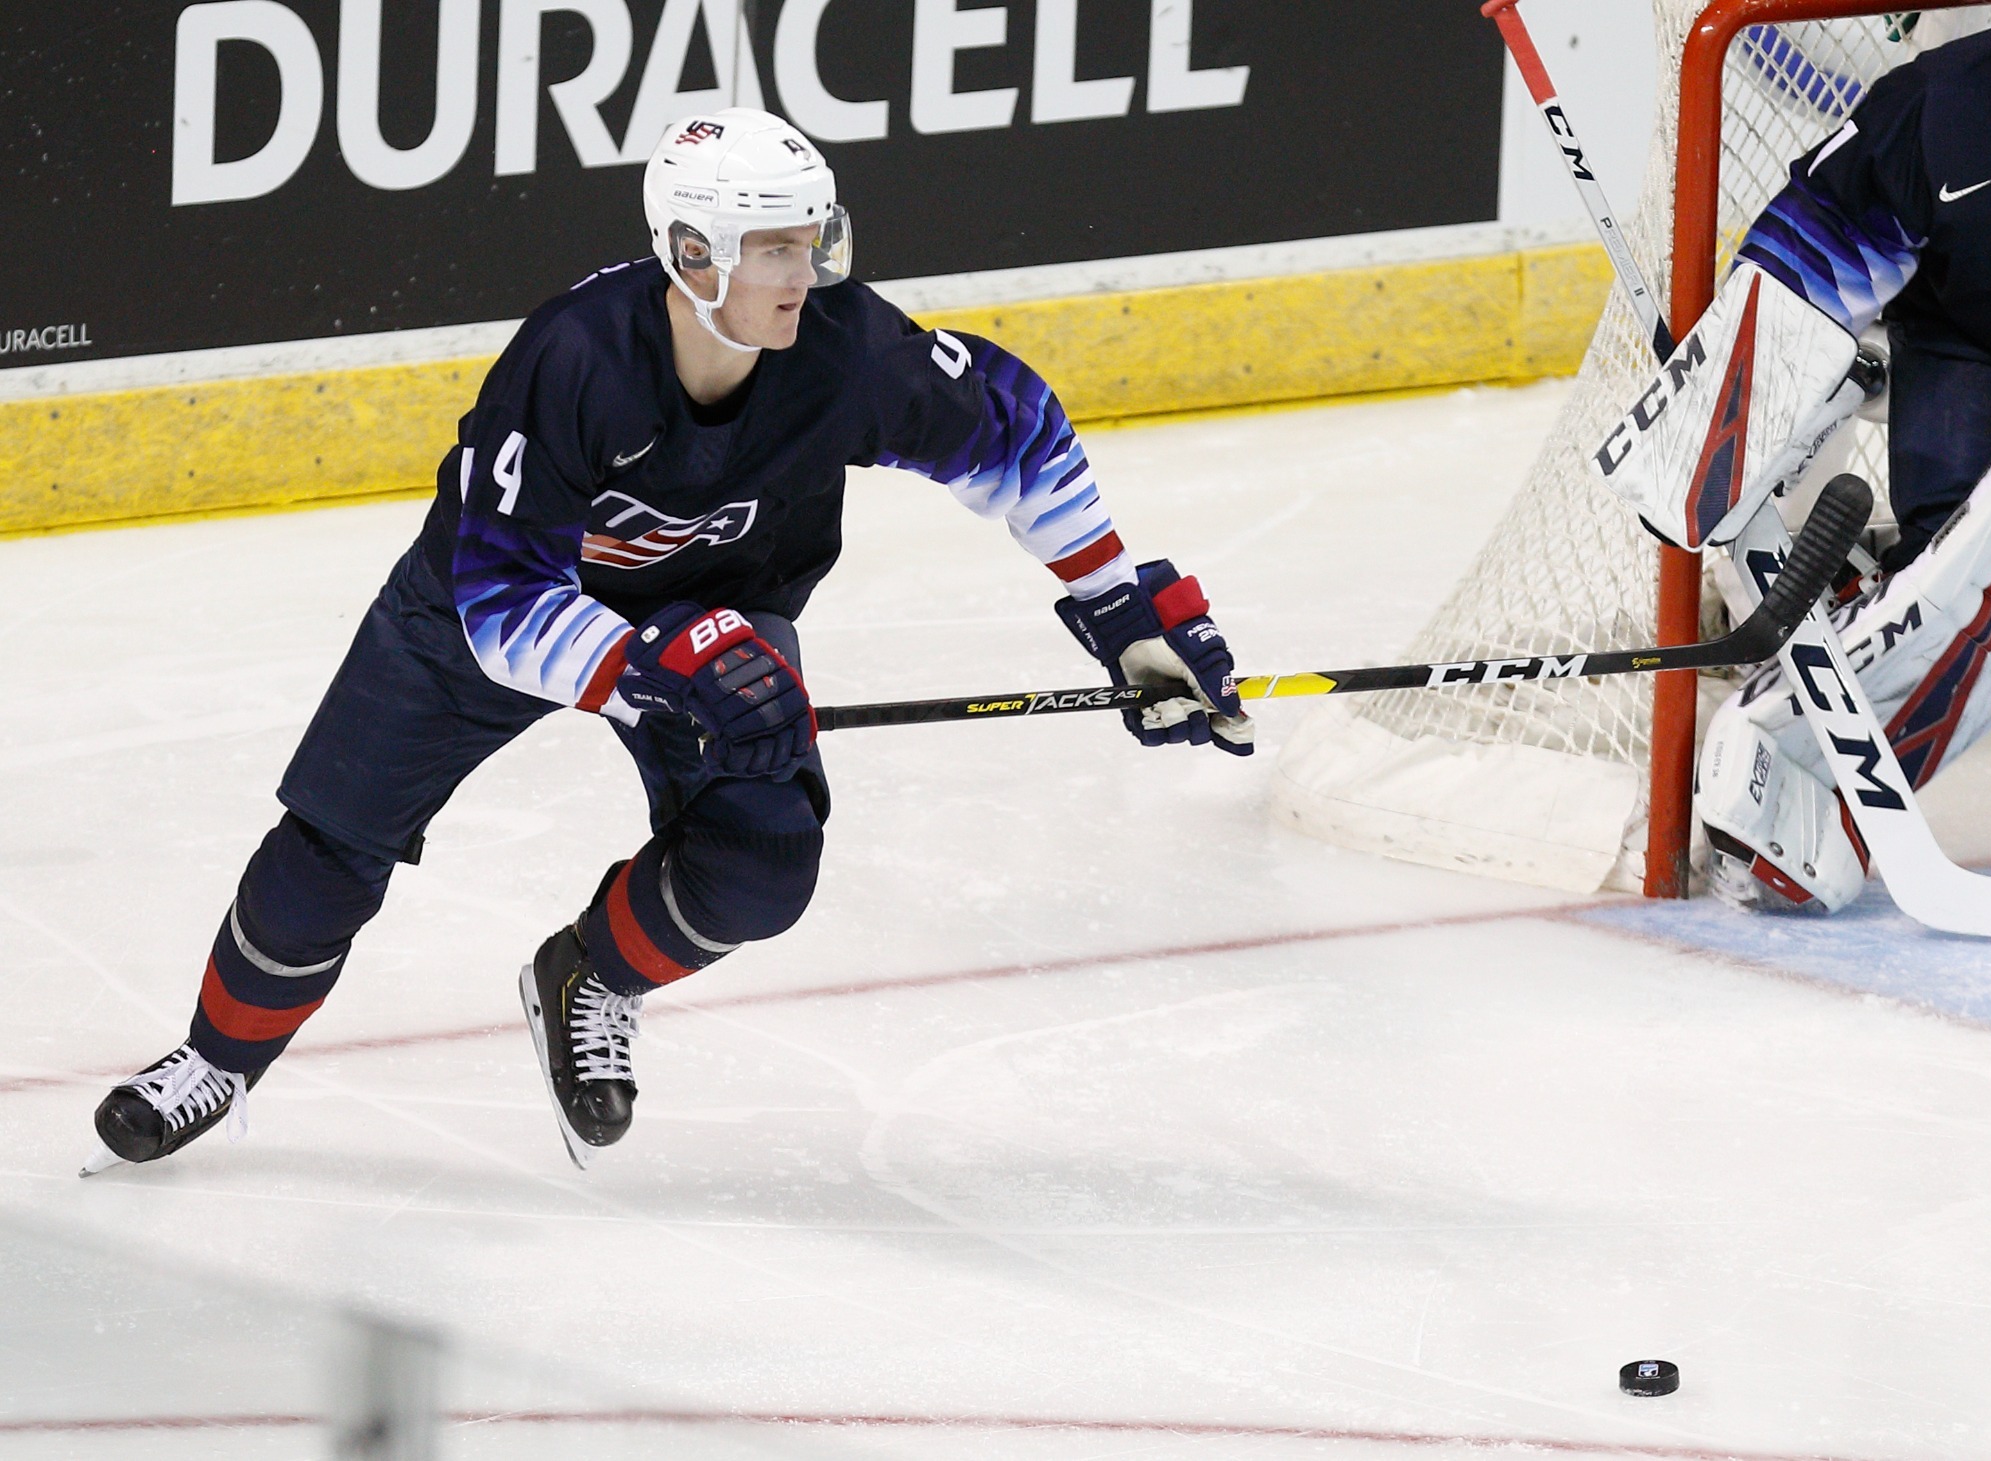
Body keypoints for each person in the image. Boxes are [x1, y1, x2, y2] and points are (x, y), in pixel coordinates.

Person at [85, 108, 1253, 1174]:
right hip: (485, 616)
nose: (811, 274)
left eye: (813, 242)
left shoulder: (843, 350)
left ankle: (590, 971)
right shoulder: (574, 361)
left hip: (716, 613)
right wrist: (641, 677)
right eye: (776, 250)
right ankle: (216, 1064)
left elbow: (1011, 432)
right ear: (692, 256)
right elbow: (501, 599)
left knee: (762, 862)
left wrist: (1112, 606)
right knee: (328, 850)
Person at [1686, 25, 1991, 913]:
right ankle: (1809, 743)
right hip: (1971, 344)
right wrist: (1712, 431)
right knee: (1964, 564)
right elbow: (1808, 257)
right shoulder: (1951, 110)